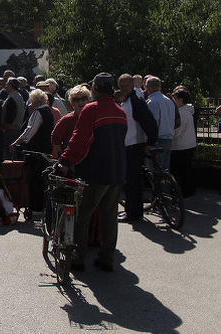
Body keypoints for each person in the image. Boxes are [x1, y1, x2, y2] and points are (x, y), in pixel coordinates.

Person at [58, 73, 127, 273]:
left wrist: (65, 159)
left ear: (95, 89)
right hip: (116, 169)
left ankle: (78, 258)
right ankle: (106, 258)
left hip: (95, 170)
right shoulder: (119, 110)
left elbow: (80, 139)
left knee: (83, 214)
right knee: (109, 215)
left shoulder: (92, 110)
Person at [117, 74, 158, 222]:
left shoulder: (135, 101)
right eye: (121, 86)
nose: (124, 88)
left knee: (131, 181)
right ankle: (132, 210)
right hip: (129, 145)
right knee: (130, 181)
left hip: (134, 145)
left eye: (126, 85)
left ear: (132, 85)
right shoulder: (127, 101)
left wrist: (151, 142)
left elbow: (149, 122)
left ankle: (133, 213)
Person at [10, 88, 54, 216]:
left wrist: (16, 143)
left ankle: (35, 208)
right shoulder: (48, 112)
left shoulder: (38, 112)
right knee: (40, 181)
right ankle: (39, 208)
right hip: (45, 150)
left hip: (35, 152)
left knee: (34, 181)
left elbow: (29, 132)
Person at [51, 85, 93, 158]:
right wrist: (66, 153)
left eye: (83, 98)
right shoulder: (67, 120)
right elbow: (55, 140)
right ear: (71, 102)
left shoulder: (94, 118)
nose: (80, 102)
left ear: (89, 100)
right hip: (71, 162)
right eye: (76, 100)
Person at [171, 87, 197, 197]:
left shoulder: (182, 113)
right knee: (187, 170)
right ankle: (189, 190)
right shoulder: (188, 112)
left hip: (181, 146)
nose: (173, 100)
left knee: (182, 171)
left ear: (181, 100)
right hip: (188, 144)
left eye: (175, 98)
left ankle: (184, 191)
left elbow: (177, 131)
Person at [145, 76, 176, 170]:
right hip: (169, 139)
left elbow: (152, 124)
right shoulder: (169, 101)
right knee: (165, 170)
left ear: (146, 87)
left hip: (158, 141)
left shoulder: (152, 102)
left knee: (156, 172)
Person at [1, 78, 26, 160]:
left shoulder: (12, 98)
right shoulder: (19, 96)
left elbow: (10, 116)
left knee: (9, 155)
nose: (6, 86)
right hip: (17, 128)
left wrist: (5, 128)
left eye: (7, 84)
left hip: (10, 130)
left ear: (11, 85)